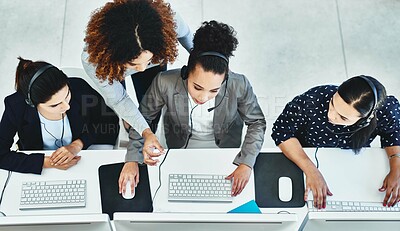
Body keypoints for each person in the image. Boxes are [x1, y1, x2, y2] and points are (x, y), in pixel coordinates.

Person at [125, 20, 266, 196]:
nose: (203, 97)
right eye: (197, 87)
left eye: (214, 90)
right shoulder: (164, 82)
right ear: (186, 73)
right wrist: (132, 159)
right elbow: (143, 118)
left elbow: (257, 122)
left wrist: (246, 162)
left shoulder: (240, 84)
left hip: (226, 153)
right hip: (179, 150)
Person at [81, 0, 194, 183]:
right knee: (125, 108)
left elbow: (187, 36)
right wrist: (145, 133)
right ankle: (133, 124)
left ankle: (143, 123)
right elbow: (119, 100)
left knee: (149, 100)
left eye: (146, 60)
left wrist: (202, 60)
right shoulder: (94, 60)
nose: (141, 68)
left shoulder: (169, 23)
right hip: (114, 68)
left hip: (146, 58)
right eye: (134, 64)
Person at [271, 75, 400, 209]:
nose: (331, 116)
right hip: (309, 152)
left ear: (365, 120)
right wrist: (312, 171)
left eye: (343, 117)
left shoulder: (387, 109)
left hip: (352, 161)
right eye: (332, 104)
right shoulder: (311, 100)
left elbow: (393, 132)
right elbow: (281, 131)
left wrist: (396, 168)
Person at [0, 57, 101, 174]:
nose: (66, 107)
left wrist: (78, 144)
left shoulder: (79, 87)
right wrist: (47, 163)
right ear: (33, 104)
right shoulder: (16, 106)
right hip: (40, 164)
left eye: (67, 95)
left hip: (79, 158)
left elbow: (102, 119)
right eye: (54, 105)